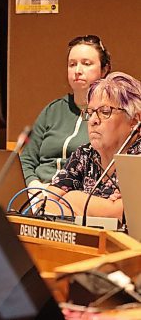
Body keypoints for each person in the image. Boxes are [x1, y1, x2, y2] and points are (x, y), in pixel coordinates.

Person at [21, 35, 111, 191]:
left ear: (104, 70)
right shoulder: (52, 110)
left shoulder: (111, 114)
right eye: (72, 64)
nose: (77, 70)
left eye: (86, 64)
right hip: (38, 192)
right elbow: (26, 160)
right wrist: (33, 185)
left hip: (76, 196)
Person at [47, 72, 140, 220]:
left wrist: (73, 198)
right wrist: (103, 209)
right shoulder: (84, 154)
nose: (93, 121)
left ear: (134, 120)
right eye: (90, 113)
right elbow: (46, 204)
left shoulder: (138, 159)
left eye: (104, 112)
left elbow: (127, 215)